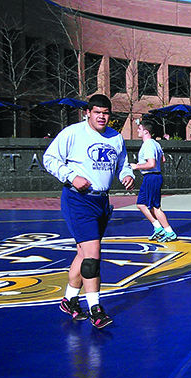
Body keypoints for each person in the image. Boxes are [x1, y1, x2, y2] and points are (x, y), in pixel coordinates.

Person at [42, 94, 134, 329]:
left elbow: (122, 163)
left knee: (83, 254)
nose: (102, 117)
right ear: (88, 113)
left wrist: (126, 175)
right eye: (97, 112)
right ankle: (96, 308)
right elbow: (49, 158)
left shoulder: (115, 137)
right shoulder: (73, 133)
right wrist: (71, 176)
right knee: (93, 255)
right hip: (78, 199)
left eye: (106, 113)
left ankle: (69, 299)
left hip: (102, 201)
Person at [131, 119, 177, 242]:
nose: (138, 131)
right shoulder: (156, 144)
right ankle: (158, 227)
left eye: (139, 129)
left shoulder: (148, 144)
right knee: (142, 204)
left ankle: (168, 231)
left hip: (151, 176)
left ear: (146, 131)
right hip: (153, 176)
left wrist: (137, 166)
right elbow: (163, 159)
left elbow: (151, 163)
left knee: (155, 207)